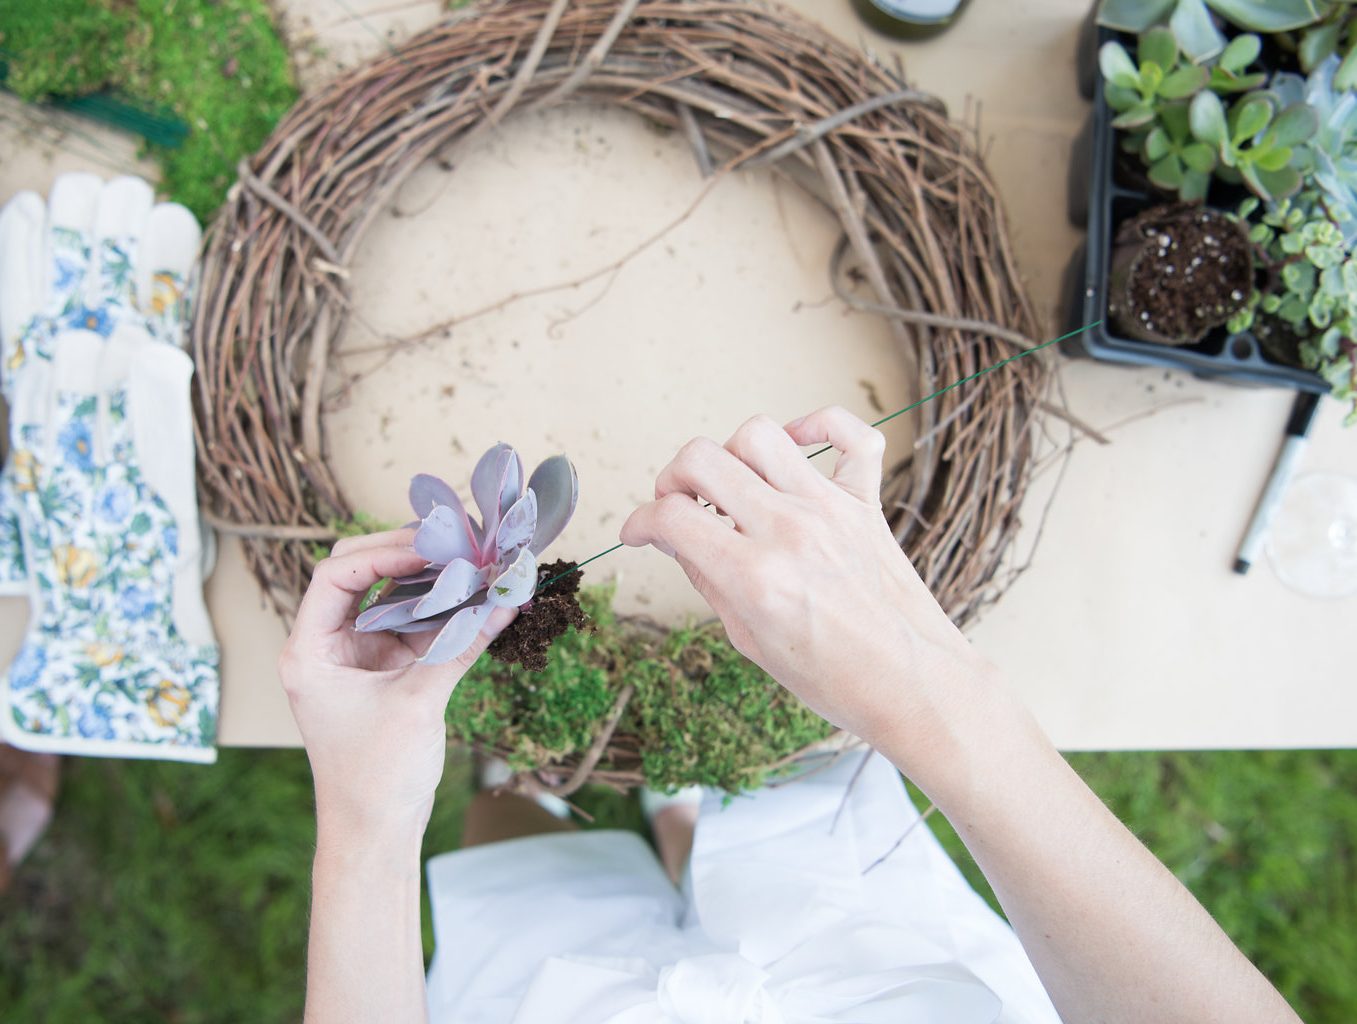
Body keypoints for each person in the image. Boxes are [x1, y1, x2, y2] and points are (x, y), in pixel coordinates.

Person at [280, 405, 1302, 1023]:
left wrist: (367, 827)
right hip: (877, 961)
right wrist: (931, 689)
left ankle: (536, 789)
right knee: (769, 820)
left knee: (519, 877)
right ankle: (686, 812)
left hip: (555, 1003)